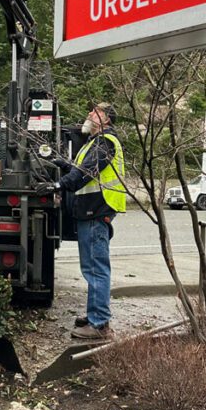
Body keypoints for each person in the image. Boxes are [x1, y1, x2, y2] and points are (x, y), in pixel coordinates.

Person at [56, 102, 126, 343]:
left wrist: (59, 184)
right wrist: (63, 165)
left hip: (97, 211)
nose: (88, 114)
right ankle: (96, 316)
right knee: (91, 268)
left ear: (105, 119)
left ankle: (99, 325)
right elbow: (79, 169)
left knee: (96, 268)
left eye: (94, 111)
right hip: (91, 212)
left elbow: (86, 174)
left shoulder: (105, 142)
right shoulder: (95, 142)